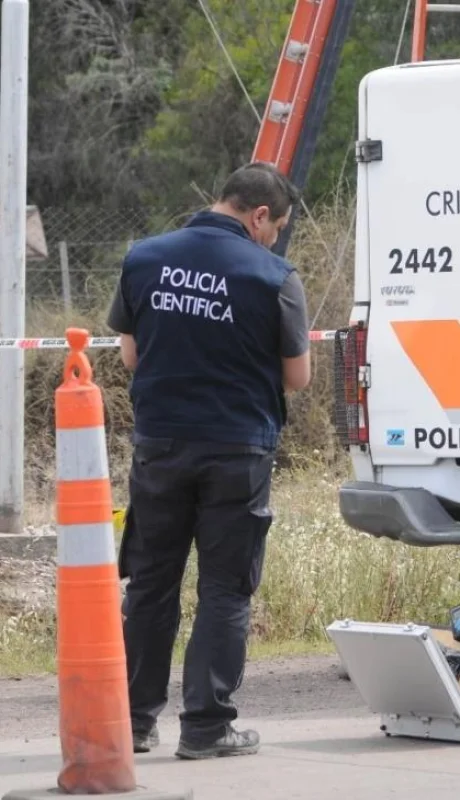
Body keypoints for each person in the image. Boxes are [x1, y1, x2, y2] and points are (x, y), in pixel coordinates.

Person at [107, 162, 311, 760]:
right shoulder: (273, 275)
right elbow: (296, 378)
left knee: (150, 584)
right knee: (225, 589)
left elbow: (128, 356)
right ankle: (205, 729)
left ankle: (134, 724)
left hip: (161, 445)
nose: (274, 239)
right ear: (259, 215)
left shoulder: (144, 257)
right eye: (276, 228)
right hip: (237, 449)